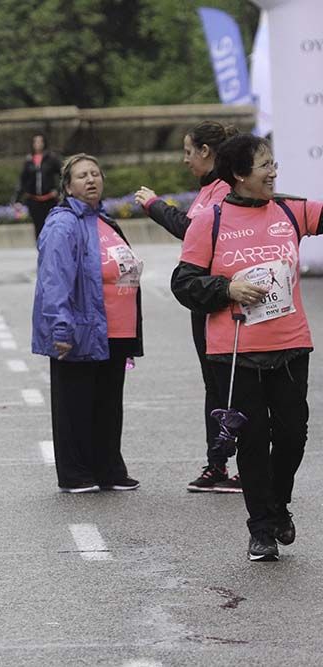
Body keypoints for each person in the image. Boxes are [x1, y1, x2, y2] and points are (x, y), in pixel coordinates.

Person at [171, 133, 321, 562]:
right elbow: (183, 282)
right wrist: (227, 287)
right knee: (252, 440)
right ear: (239, 175)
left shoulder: (291, 211)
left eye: (274, 163)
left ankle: (278, 505)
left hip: (291, 345)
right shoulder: (211, 220)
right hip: (235, 350)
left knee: (293, 436)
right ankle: (261, 528)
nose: (274, 171)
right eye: (265, 165)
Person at [133, 121, 240, 493]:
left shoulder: (226, 189)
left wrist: (153, 205)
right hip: (206, 297)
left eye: (188, 151)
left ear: (206, 152)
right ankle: (218, 462)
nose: (185, 160)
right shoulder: (210, 188)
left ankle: (240, 462)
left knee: (232, 384)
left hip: (225, 297)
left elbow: (189, 229)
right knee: (215, 383)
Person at [32, 154, 143, 493]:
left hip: (115, 330)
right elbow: (54, 279)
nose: (91, 180)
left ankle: (109, 468)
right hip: (80, 328)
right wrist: (59, 328)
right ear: (67, 186)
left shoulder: (106, 221)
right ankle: (76, 472)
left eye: (96, 173)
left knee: (108, 404)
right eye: (82, 176)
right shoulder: (63, 223)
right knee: (75, 404)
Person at [14, 133, 63, 240]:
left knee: (50, 224)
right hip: (34, 199)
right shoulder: (29, 160)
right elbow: (23, 180)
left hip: (49, 198)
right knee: (38, 226)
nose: (38, 144)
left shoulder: (51, 158)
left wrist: (58, 191)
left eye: (40, 142)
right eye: (35, 142)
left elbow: (62, 174)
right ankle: (41, 249)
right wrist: (18, 199)